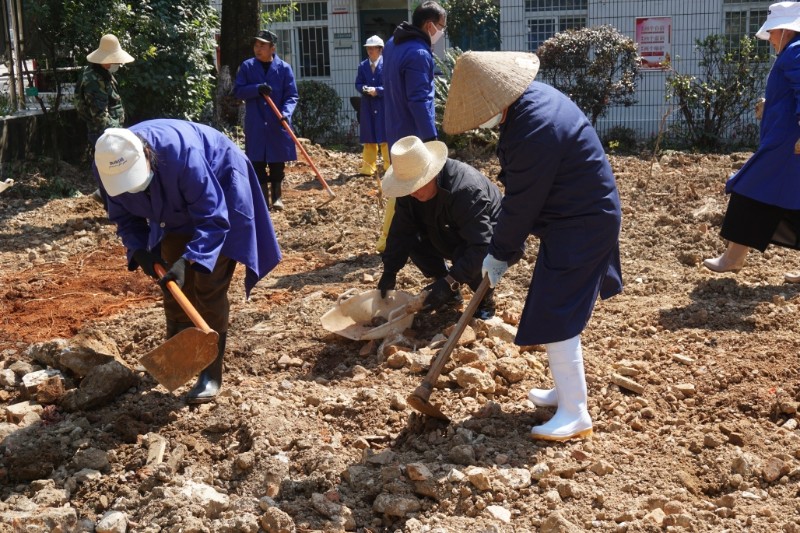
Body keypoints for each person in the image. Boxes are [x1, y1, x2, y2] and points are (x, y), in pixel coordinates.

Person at [443, 51, 623, 442]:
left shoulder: (533, 125)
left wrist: (500, 251)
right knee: (553, 303)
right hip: (574, 218)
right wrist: (504, 248)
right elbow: (525, 196)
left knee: (555, 309)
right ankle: (565, 390)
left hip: (582, 223)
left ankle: (576, 413)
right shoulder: (530, 101)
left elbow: (522, 202)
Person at [93, 119, 281, 403]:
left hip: (219, 190)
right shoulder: (107, 164)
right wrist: (140, 249)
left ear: (147, 156)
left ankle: (210, 371)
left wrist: (189, 260)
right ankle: (179, 360)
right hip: (172, 207)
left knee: (208, 283)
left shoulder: (183, 155)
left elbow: (213, 219)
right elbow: (124, 217)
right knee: (171, 284)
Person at [703, 2, 800, 283]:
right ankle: (734, 256)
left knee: (749, 188)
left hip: (786, 145)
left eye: (772, 31)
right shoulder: (793, 51)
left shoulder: (795, 51)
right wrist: (771, 105)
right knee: (793, 198)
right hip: (787, 144)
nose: (769, 38)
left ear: (785, 29)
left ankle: (734, 257)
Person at [377, 136, 507, 319]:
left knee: (465, 253)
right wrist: (390, 270)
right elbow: (401, 230)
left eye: (417, 185)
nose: (413, 192)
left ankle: (484, 298)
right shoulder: (410, 193)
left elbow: (482, 245)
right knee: (413, 240)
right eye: (408, 187)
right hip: (448, 229)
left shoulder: (465, 191)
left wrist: (451, 281)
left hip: (494, 241)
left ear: (433, 173)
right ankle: (448, 292)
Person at [378, 0, 447, 253]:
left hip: (394, 130)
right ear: (429, 25)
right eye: (441, 27)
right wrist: (431, 139)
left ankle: (388, 240)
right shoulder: (418, 53)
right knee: (418, 190)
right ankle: (399, 242)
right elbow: (420, 101)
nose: (442, 32)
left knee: (400, 186)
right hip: (414, 135)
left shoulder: (392, 45)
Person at [233, 30, 299, 211]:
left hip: (277, 121)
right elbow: (238, 91)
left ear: (272, 48)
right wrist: (256, 88)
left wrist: (286, 113)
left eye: (262, 45)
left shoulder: (284, 68)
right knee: (257, 162)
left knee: (277, 162)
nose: (258, 49)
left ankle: (277, 196)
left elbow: (292, 96)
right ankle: (263, 198)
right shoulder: (247, 67)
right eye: (256, 45)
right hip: (256, 122)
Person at [76, 34, 134, 204]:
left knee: (113, 170)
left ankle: (104, 196)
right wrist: (113, 139)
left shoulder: (102, 74)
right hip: (105, 133)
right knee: (113, 171)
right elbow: (100, 115)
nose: (118, 64)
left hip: (110, 131)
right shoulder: (94, 80)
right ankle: (111, 204)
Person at [355, 35, 390, 177]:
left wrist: (379, 91)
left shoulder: (388, 65)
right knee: (369, 137)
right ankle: (368, 168)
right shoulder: (363, 66)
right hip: (368, 105)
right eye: (368, 49)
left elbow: (391, 85)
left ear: (380, 49)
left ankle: (389, 167)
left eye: (372, 48)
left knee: (385, 137)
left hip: (383, 105)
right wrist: (364, 89)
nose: (370, 51)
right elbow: (358, 83)